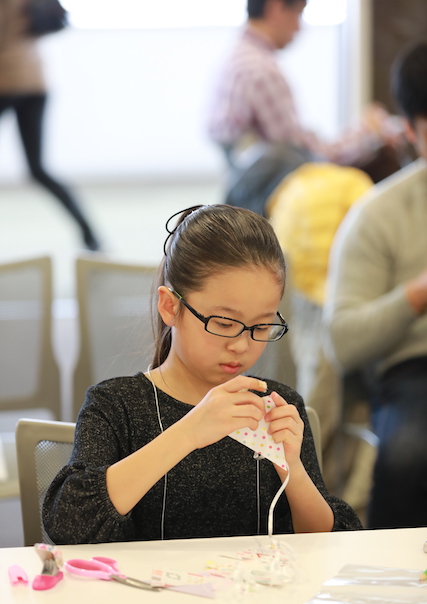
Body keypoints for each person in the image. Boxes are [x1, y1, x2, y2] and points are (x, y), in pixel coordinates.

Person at [43, 204, 361, 543]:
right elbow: (71, 523)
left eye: (261, 326)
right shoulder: (116, 405)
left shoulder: (276, 406)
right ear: (170, 306)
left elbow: (331, 543)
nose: (241, 345)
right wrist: (189, 432)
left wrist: (292, 468)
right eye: (223, 323)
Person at [323, 42, 427, 529]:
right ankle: (395, 568)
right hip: (414, 371)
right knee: (409, 453)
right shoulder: (380, 213)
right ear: (410, 131)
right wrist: (416, 295)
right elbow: (342, 341)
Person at [207, 0, 404, 215]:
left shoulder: (237, 58)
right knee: (383, 164)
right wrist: (369, 133)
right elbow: (311, 160)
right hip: (276, 204)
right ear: (275, 7)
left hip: (250, 200)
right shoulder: (260, 71)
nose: (299, 28)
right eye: (298, 14)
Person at [0, 0, 101, 251]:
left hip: (7, 81)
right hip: (35, 80)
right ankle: (90, 235)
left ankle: (90, 235)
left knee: (38, 169)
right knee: (39, 169)